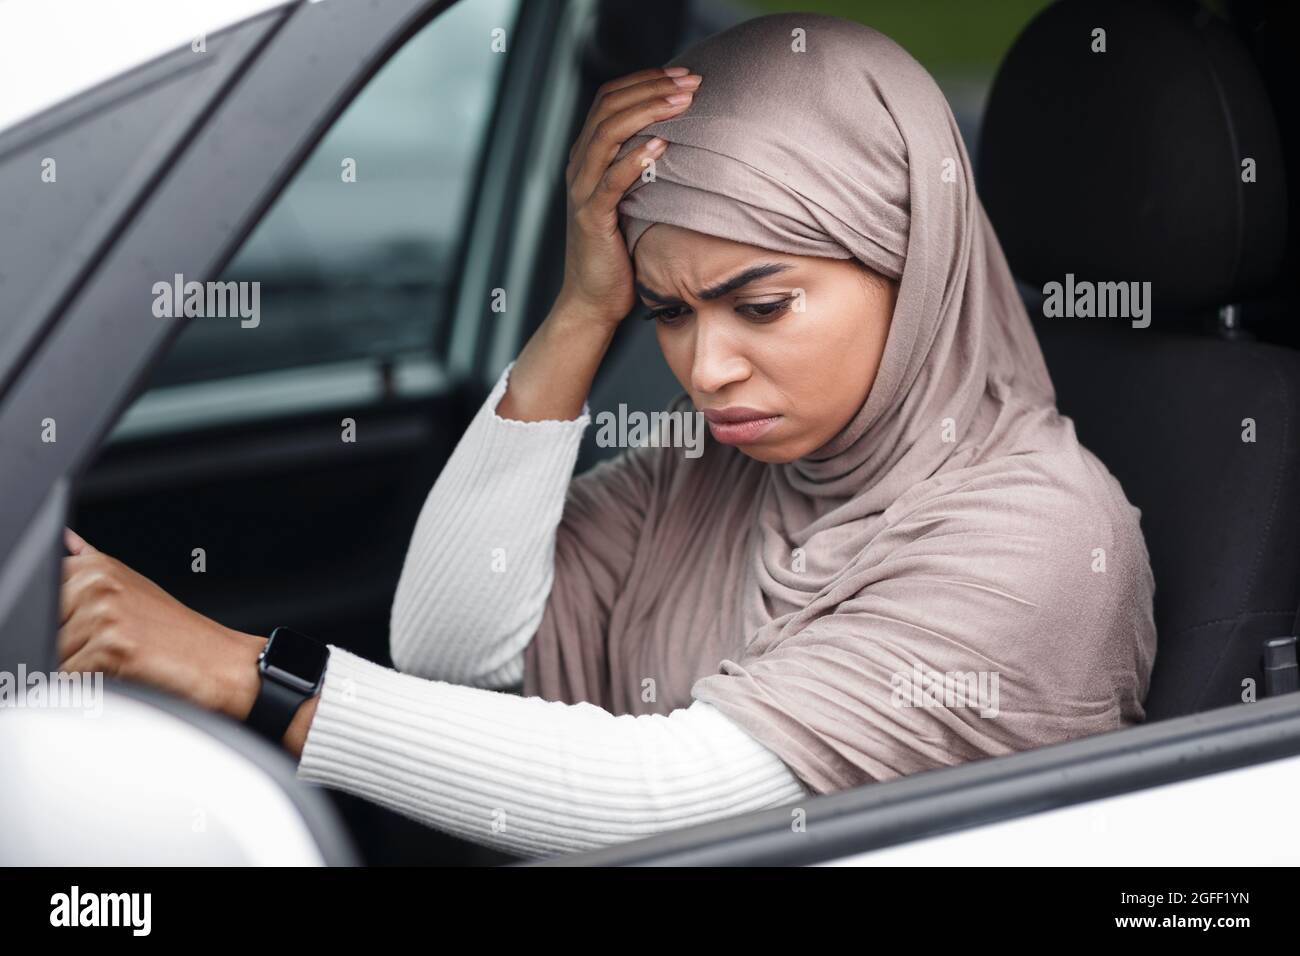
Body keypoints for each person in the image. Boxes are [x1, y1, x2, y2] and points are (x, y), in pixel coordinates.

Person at [56, 12, 1157, 860]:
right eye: (668, 311)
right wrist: (584, 309)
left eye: (759, 305)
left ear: (911, 268)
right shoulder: (713, 469)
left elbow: (660, 794)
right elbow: (452, 644)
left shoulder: (1038, 537)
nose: (704, 367)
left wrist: (251, 673)